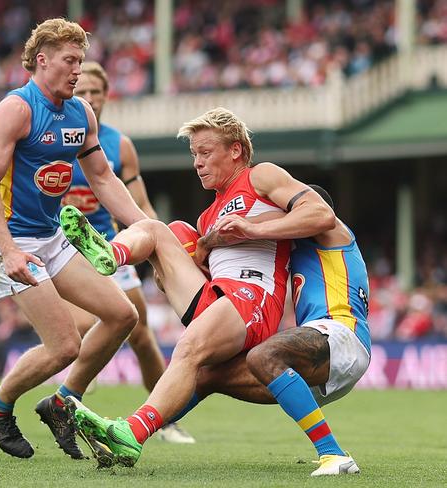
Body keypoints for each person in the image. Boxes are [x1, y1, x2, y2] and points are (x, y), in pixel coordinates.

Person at [59, 107, 335, 466]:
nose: (197, 163)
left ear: (235, 150)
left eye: (205, 153)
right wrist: (168, 272)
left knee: (188, 350)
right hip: (218, 296)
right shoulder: (209, 216)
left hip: (254, 297)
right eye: (194, 155)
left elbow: (322, 214)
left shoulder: (261, 176)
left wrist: (253, 229)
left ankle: (129, 432)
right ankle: (111, 253)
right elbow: (194, 272)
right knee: (164, 229)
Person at [0, 18, 148, 460]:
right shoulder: (16, 109)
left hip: (50, 237)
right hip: (8, 242)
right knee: (66, 345)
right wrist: (10, 250)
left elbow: (104, 178)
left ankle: (60, 401)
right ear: (42, 60)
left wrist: (144, 227)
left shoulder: (80, 113)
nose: (77, 71)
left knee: (123, 315)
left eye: (81, 61)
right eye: (70, 61)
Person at [169, 184, 370, 476]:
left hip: (341, 334)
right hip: (324, 355)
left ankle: (333, 454)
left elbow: (266, 223)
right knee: (207, 375)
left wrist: (209, 240)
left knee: (264, 355)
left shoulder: (332, 228)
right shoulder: (296, 249)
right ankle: (130, 432)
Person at [61, 61, 194, 444]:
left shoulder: (119, 146)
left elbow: (142, 206)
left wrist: (161, 244)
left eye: (95, 93)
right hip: (61, 250)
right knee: (82, 328)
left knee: (141, 333)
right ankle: (74, 392)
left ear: (105, 98)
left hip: (108, 247)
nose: (88, 99)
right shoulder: (51, 137)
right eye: (82, 92)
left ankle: (165, 419)